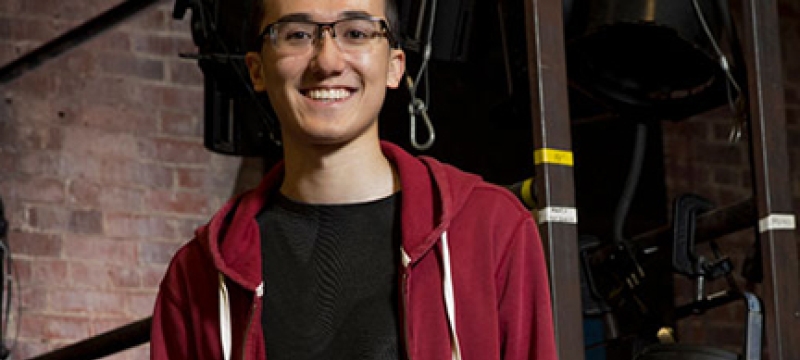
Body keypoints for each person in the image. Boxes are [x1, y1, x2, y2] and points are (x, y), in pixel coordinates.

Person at [150, 0, 557, 358]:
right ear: (257, 70)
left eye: (356, 32)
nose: (327, 61)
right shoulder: (198, 276)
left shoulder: (491, 232)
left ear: (395, 66)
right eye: (296, 34)